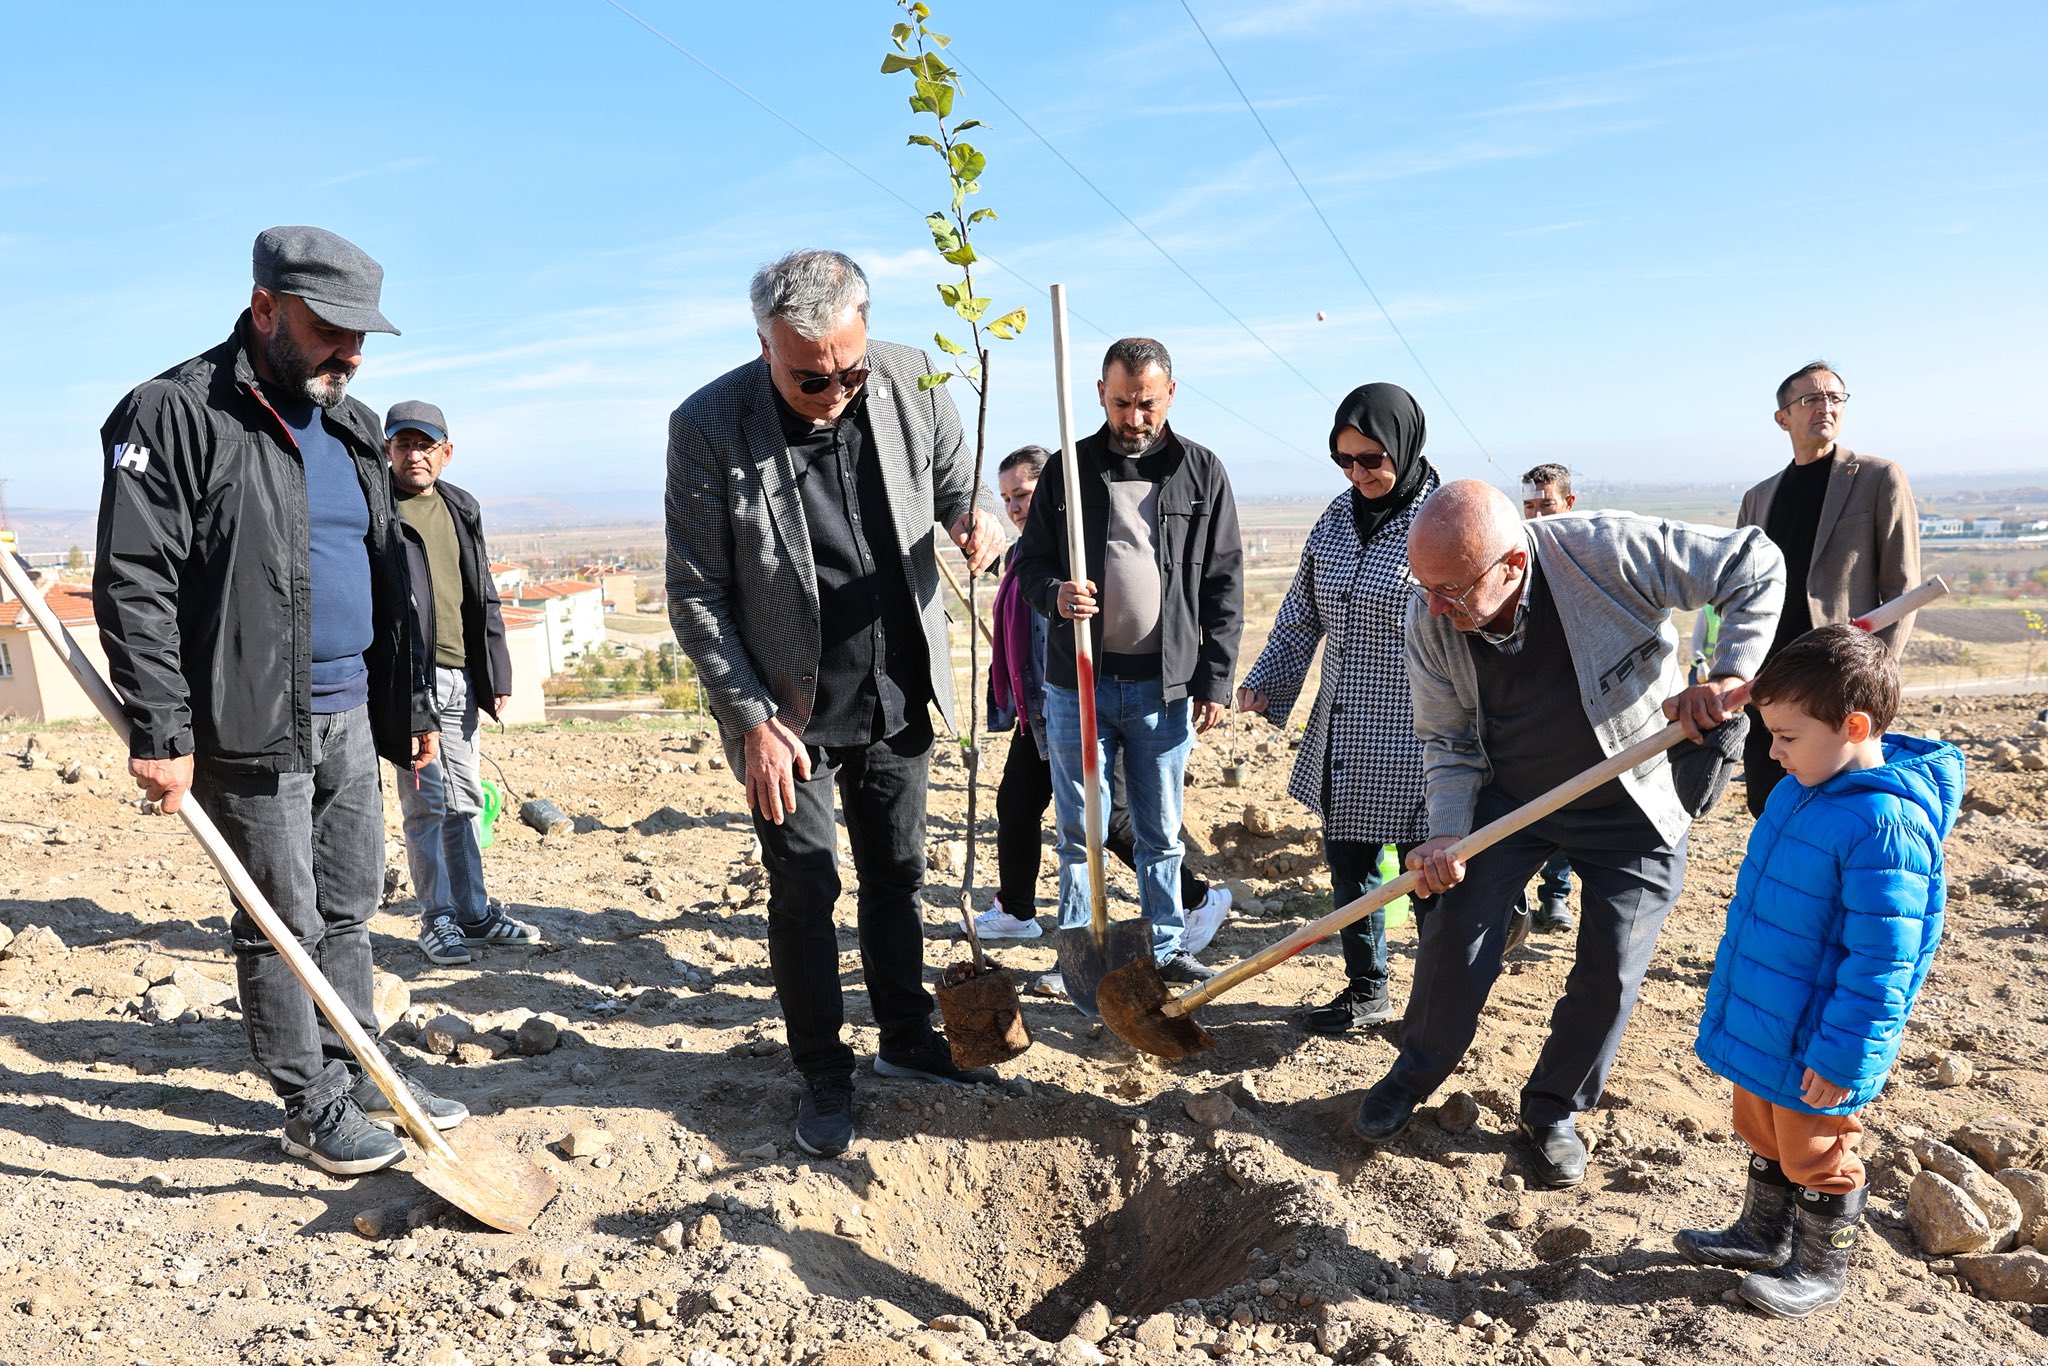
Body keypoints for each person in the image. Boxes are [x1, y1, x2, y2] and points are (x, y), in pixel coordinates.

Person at [94, 226, 467, 1176]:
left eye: (362, 337)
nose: (350, 353)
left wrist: (411, 709)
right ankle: (309, 1103)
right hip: (249, 720)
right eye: (331, 329)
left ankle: (361, 1067)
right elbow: (135, 581)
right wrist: (162, 727)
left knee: (347, 906)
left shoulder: (350, 422)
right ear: (266, 307)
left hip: (350, 712)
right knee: (280, 916)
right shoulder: (174, 412)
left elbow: (389, 578)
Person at [665, 249, 1004, 1159]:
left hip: (897, 685)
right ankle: (821, 1070)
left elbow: (958, 490)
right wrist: (749, 720)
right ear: (765, 349)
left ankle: (905, 1035)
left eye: (850, 369)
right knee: (805, 890)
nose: (837, 390)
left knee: (897, 877)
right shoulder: (708, 424)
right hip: (787, 712)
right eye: (811, 377)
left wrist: (979, 524)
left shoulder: (910, 377)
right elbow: (695, 592)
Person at [1350, 480, 1784, 1189]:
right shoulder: (1430, 611)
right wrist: (1447, 836)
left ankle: (1552, 1108)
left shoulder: (1604, 552)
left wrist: (1731, 668)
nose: (1433, 608)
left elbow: (1753, 563)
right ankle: (1415, 1071)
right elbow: (1448, 740)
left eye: (1452, 592)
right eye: (1424, 588)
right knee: (1455, 930)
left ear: (1511, 566)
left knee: (1610, 966)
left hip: (1631, 798)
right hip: (1509, 792)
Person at [1680, 625, 1960, 1319]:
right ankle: (1762, 1232)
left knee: (1817, 1150)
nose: (1772, 752)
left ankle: (1817, 1265)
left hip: (1820, 1041)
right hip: (1772, 1019)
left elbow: (1882, 963)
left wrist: (1841, 1056)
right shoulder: (1800, 791)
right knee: (1763, 1128)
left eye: (1786, 736)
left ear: (1854, 726)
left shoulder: (1884, 826)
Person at [1013, 338, 1244, 987]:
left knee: (1160, 831)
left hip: (1163, 689)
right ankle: (1080, 960)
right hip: (1077, 683)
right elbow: (1029, 562)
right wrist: (1055, 595)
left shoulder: (1201, 471)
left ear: (1168, 395)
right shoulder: (1068, 469)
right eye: (1121, 403)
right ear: (1100, 395)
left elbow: (1224, 583)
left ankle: (1167, 949)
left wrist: (1215, 679)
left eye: (1146, 403)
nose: (1134, 417)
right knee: (1079, 831)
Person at [1236, 383, 1439, 1034]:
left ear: (1405, 447)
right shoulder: (1333, 519)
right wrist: (1265, 680)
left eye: (1373, 459)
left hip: (1419, 733)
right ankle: (1366, 990)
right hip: (1345, 725)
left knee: (1427, 876)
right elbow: (1300, 615)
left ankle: (1436, 1008)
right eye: (1346, 461)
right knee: (1349, 865)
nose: (1361, 474)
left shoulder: (1441, 520)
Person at [981, 445, 1231, 952]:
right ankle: (1018, 910)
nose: (1014, 508)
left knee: (1114, 821)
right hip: (1047, 705)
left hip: (1095, 698)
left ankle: (1196, 900)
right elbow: (1028, 587)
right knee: (1022, 804)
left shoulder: (1080, 543)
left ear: (1052, 493)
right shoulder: (1025, 556)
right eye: (1006, 499)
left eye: (1023, 495)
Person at [383, 400, 541, 967]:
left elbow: (482, 590)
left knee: (466, 800)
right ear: (388, 450)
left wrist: (494, 668)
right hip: (409, 683)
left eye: (426, 445)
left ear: (445, 454)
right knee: (426, 804)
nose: (414, 455)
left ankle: (473, 914)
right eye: (403, 444)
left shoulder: (459, 506)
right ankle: (438, 919)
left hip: (461, 678)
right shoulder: (375, 508)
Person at [1736, 361, 1919, 814]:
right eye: (1811, 399)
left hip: (1838, 676)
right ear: (1783, 417)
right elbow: (1737, 593)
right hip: (1769, 679)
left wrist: (1873, 675)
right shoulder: (1758, 497)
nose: (1826, 407)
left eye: (1835, 398)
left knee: (1842, 806)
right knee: (1768, 801)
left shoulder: (1879, 477)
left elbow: (1902, 586)